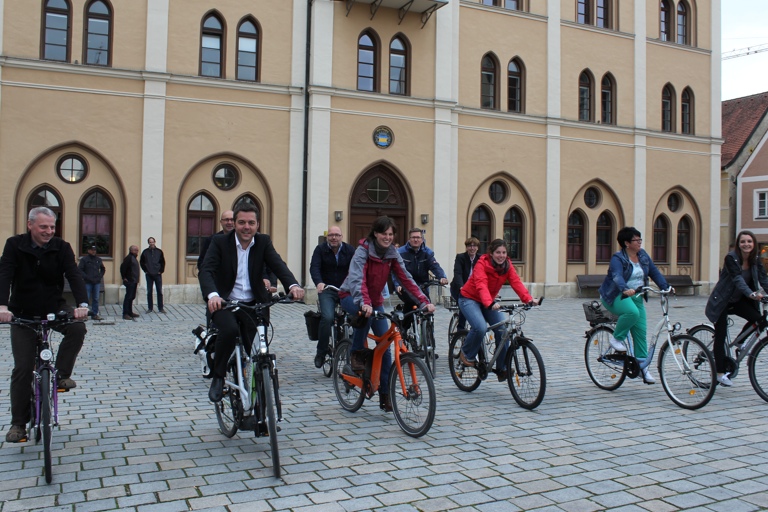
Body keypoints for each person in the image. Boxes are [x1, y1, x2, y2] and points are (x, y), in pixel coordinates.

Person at [199, 203, 305, 403]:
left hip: (253, 304)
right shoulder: (220, 242)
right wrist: (213, 295)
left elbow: (278, 265)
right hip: (225, 303)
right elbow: (206, 270)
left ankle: (257, 392)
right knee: (229, 331)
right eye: (241, 222)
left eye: (251, 223)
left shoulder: (263, 242)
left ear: (257, 224)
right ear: (234, 224)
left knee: (256, 349)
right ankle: (218, 377)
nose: (246, 227)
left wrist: (292, 285)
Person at [0, 207, 89, 443]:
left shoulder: (61, 247)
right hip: (22, 313)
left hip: (53, 307)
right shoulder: (14, 245)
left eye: (52, 227)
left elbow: (73, 275)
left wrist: (82, 304)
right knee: (22, 368)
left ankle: (61, 375)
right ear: (30, 225)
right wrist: (2, 307)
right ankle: (18, 424)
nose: (49, 231)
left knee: (77, 328)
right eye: (43, 227)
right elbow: (4, 274)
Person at [338, 216, 435, 412]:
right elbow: (357, 279)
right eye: (384, 233)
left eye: (391, 234)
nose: (388, 237)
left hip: (375, 301)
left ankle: (385, 394)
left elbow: (406, 278)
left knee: (386, 346)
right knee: (365, 316)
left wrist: (423, 301)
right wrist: (364, 302)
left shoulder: (392, 254)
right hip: (351, 295)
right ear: (375, 233)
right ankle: (356, 353)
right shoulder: (363, 251)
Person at [457, 239, 538, 382]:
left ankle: (502, 368)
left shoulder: (507, 266)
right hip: (469, 298)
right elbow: (481, 284)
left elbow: (516, 282)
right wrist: (489, 302)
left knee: (503, 330)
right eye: (498, 252)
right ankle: (466, 354)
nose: (501, 256)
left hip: (489, 301)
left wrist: (528, 299)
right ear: (491, 253)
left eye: (504, 253)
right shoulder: (482, 264)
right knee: (480, 327)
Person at [598, 227, 670, 385]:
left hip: (636, 296)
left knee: (640, 332)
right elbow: (617, 275)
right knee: (632, 313)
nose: (639, 242)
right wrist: (624, 288)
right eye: (636, 240)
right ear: (626, 243)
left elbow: (654, 272)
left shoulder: (643, 255)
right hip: (616, 295)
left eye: (640, 239)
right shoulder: (618, 258)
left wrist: (666, 287)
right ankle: (616, 339)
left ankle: (642, 367)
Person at [705, 230, 768, 387]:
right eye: (743, 241)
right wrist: (751, 294)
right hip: (722, 301)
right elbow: (737, 279)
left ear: (754, 244)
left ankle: (739, 342)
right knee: (721, 335)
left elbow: (764, 279)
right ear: (738, 244)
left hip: (738, 300)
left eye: (749, 241)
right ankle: (719, 373)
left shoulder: (755, 259)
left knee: (758, 320)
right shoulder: (731, 258)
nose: (746, 244)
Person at [309, 226, 354, 368]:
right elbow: (314, 267)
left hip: (345, 290)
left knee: (355, 316)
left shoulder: (349, 250)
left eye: (337, 235)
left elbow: (356, 268)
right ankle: (321, 352)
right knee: (327, 318)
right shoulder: (320, 250)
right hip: (327, 289)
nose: (334, 237)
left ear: (341, 236)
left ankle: (353, 351)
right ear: (327, 237)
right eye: (331, 235)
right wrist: (319, 282)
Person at [393, 228, 448, 330]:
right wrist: (397, 284)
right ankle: (404, 329)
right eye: (413, 237)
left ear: (422, 239)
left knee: (428, 307)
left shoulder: (427, 252)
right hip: (405, 286)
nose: (416, 240)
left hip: (423, 286)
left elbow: (435, 266)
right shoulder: (400, 252)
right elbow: (396, 271)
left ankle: (429, 334)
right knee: (411, 303)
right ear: (409, 239)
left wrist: (442, 277)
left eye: (418, 237)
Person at [450, 237, 480, 330]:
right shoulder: (461, 257)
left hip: (474, 290)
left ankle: (475, 329)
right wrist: (461, 287)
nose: (472, 248)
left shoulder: (480, 258)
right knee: (464, 305)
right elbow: (458, 273)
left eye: (474, 246)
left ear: (477, 247)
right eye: (469, 246)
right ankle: (460, 329)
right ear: (466, 247)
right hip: (459, 288)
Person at [78, 244, 106, 321]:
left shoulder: (98, 259)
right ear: (88, 250)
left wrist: (99, 276)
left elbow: (103, 269)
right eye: (92, 250)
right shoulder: (84, 259)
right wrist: (86, 277)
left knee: (96, 298)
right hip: (87, 282)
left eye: (95, 250)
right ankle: (84, 315)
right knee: (85, 299)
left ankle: (94, 314)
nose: (94, 251)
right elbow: (80, 270)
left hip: (96, 282)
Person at [140, 237, 165, 313]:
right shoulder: (145, 252)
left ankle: (161, 308)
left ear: (155, 242)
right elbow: (142, 262)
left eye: (152, 242)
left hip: (157, 274)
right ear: (148, 243)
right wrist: (145, 270)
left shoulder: (159, 252)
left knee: (159, 291)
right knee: (149, 291)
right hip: (149, 274)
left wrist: (161, 271)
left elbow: (162, 262)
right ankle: (150, 308)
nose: (151, 243)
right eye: (150, 242)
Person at [120, 245, 140, 321]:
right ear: (131, 250)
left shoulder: (133, 258)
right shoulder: (128, 258)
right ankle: (125, 313)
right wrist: (124, 277)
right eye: (135, 250)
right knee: (128, 297)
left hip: (134, 281)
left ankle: (130, 312)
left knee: (132, 297)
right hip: (130, 280)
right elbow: (122, 268)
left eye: (137, 250)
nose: (136, 252)